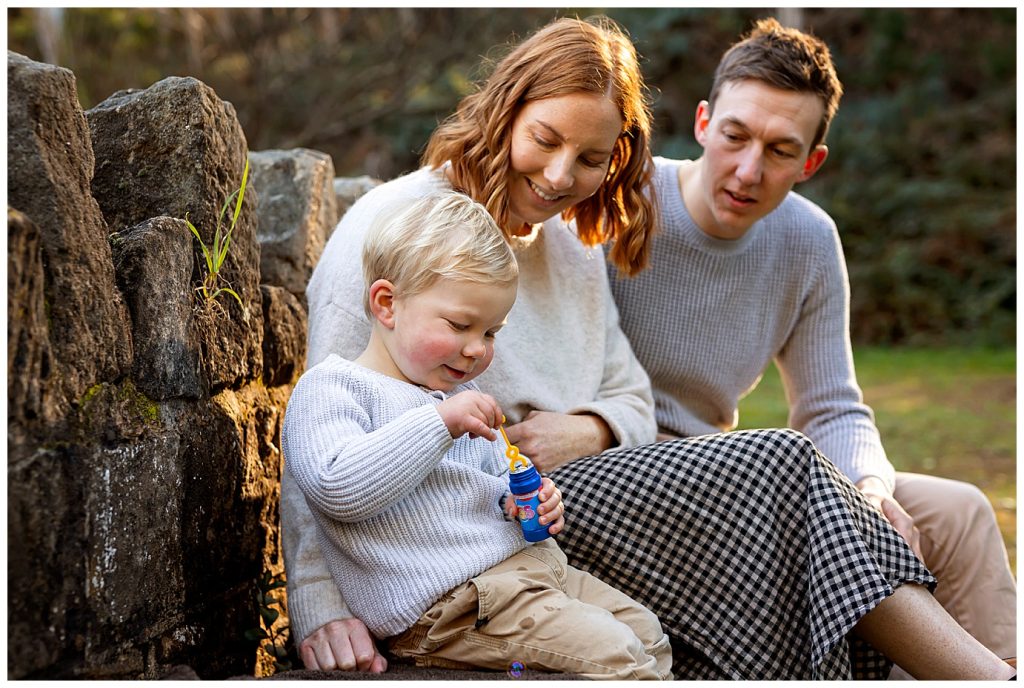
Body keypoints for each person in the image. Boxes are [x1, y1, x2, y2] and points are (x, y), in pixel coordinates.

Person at [283, 15, 1016, 680]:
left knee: (952, 512)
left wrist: (592, 427)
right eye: (544, 139)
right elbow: (318, 422)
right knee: (781, 462)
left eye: (591, 157)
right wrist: (318, 603)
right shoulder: (397, 229)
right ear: (506, 111)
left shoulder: (574, 242)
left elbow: (632, 395)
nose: (562, 175)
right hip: (510, 520)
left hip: (584, 485)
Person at [605, 17, 1017, 671]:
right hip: (634, 480)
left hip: (748, 475)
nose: (747, 170)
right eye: (736, 137)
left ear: (811, 162)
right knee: (787, 467)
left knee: (959, 513)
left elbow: (831, 406)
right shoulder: (620, 202)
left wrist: (871, 487)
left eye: (779, 150)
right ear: (706, 122)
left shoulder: (808, 240)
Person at [281, 190, 673, 679]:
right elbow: (336, 487)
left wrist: (529, 500)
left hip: (529, 576)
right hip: (453, 603)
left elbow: (496, 487)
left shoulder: (453, 400)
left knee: (646, 635)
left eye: (490, 333)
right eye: (461, 325)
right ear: (387, 304)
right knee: (614, 654)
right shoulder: (334, 387)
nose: (475, 350)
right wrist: (439, 426)